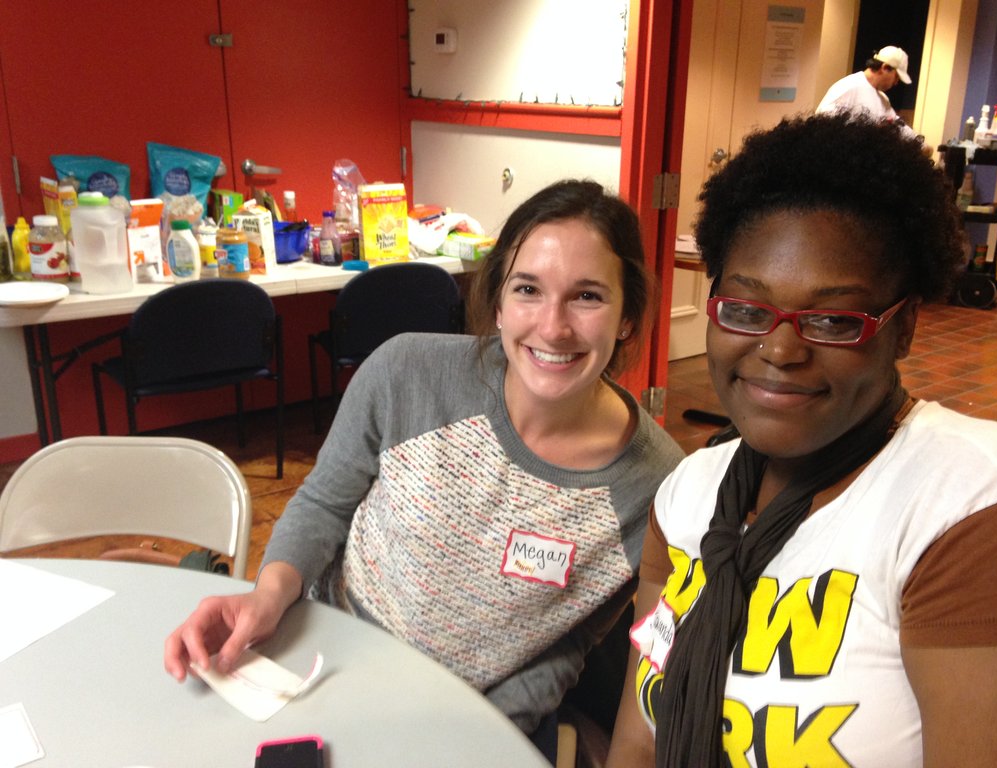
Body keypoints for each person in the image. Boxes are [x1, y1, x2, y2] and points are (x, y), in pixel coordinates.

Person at [164, 179, 684, 760]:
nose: (552, 326)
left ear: (628, 317)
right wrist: (266, 596)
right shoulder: (406, 371)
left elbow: (576, 637)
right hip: (327, 652)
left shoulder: (658, 485)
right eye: (527, 289)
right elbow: (324, 503)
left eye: (587, 296)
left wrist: (483, 729)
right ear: (498, 302)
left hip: (474, 720)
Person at [606, 113, 997, 767]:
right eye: (748, 310)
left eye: (832, 319)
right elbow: (638, 740)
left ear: (904, 328)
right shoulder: (689, 494)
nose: (780, 349)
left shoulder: (968, 505)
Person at [816, 45, 928, 150]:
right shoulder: (850, 86)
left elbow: (897, 126)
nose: (896, 83)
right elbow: (822, 122)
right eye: (896, 77)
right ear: (885, 68)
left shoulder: (883, 99)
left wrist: (920, 145)